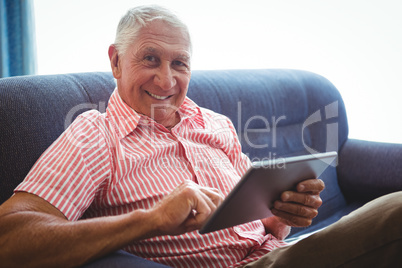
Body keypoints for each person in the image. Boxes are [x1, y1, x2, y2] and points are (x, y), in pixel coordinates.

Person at [0, 5, 401, 268]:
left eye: (180, 63)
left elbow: (263, 221)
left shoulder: (215, 124)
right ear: (116, 61)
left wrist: (282, 215)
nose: (166, 80)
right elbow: (9, 242)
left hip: (283, 252)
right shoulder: (95, 136)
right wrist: (151, 220)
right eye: (150, 59)